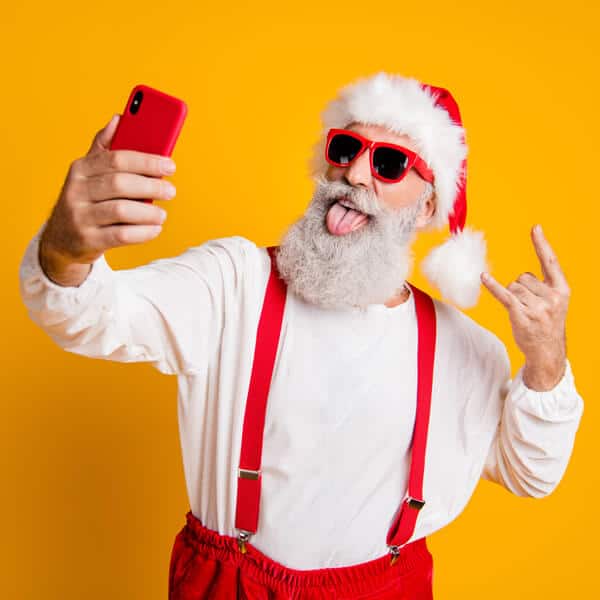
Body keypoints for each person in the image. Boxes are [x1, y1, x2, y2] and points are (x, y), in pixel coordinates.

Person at [18, 72, 584, 599]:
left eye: (389, 163)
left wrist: (545, 360)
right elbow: (90, 315)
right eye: (345, 148)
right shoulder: (234, 281)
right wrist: (68, 248)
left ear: (429, 204)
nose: (355, 174)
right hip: (230, 583)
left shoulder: (466, 348)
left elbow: (529, 474)